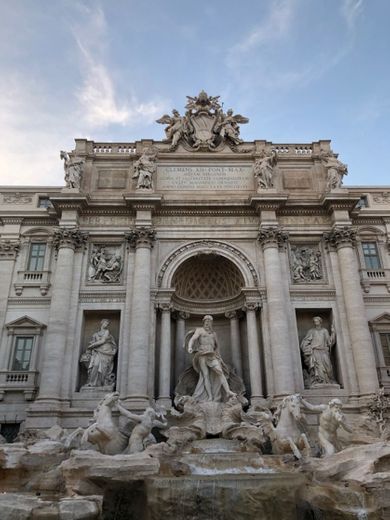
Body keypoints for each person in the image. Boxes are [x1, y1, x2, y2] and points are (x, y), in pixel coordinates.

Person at [187, 315, 236, 402]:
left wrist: (219, 356)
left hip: (212, 355)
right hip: (202, 354)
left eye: (209, 322)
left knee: (220, 371)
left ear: (211, 323)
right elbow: (193, 339)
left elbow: (217, 346)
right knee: (205, 376)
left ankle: (228, 391)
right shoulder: (199, 330)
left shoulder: (214, 334)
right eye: (206, 322)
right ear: (203, 322)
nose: (207, 323)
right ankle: (210, 396)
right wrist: (190, 347)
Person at [300, 316, 336, 386]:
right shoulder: (311, 331)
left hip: (324, 351)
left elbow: (329, 342)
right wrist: (309, 348)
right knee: (317, 367)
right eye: (315, 322)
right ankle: (319, 381)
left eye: (317, 321)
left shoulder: (324, 331)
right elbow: (305, 342)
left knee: (328, 367)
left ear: (320, 322)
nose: (316, 323)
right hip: (315, 351)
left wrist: (333, 333)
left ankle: (329, 380)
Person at [82, 319, 117, 387]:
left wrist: (91, 346)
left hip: (106, 352)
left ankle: (101, 383)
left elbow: (103, 341)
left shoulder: (107, 331)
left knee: (104, 368)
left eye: (107, 324)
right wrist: (91, 347)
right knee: (95, 365)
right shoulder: (96, 334)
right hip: (97, 351)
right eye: (105, 323)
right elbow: (93, 342)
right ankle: (91, 383)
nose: (106, 325)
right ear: (102, 323)